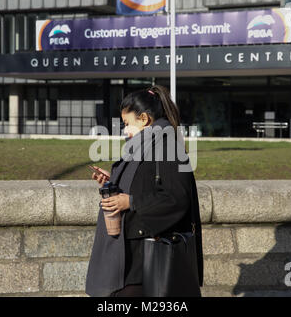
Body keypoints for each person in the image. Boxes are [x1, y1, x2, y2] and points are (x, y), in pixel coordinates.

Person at [85, 85, 203, 297]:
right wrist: (112, 184)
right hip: (133, 253)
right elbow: (145, 183)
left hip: (148, 254)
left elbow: (176, 198)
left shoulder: (167, 146)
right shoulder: (144, 145)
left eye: (127, 123)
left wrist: (130, 202)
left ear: (145, 119)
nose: (125, 130)